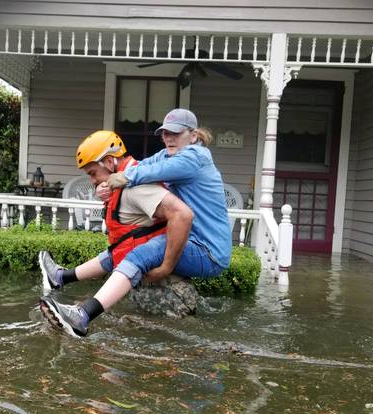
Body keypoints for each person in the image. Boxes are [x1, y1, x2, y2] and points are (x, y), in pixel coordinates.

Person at [40, 109, 232, 338]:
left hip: (208, 251)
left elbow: (159, 176)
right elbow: (141, 165)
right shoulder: (168, 154)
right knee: (129, 246)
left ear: (193, 136)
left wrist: (166, 267)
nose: (169, 138)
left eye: (176, 133)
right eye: (165, 133)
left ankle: (83, 316)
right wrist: (108, 183)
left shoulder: (195, 157)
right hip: (192, 240)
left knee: (141, 253)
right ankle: (61, 277)